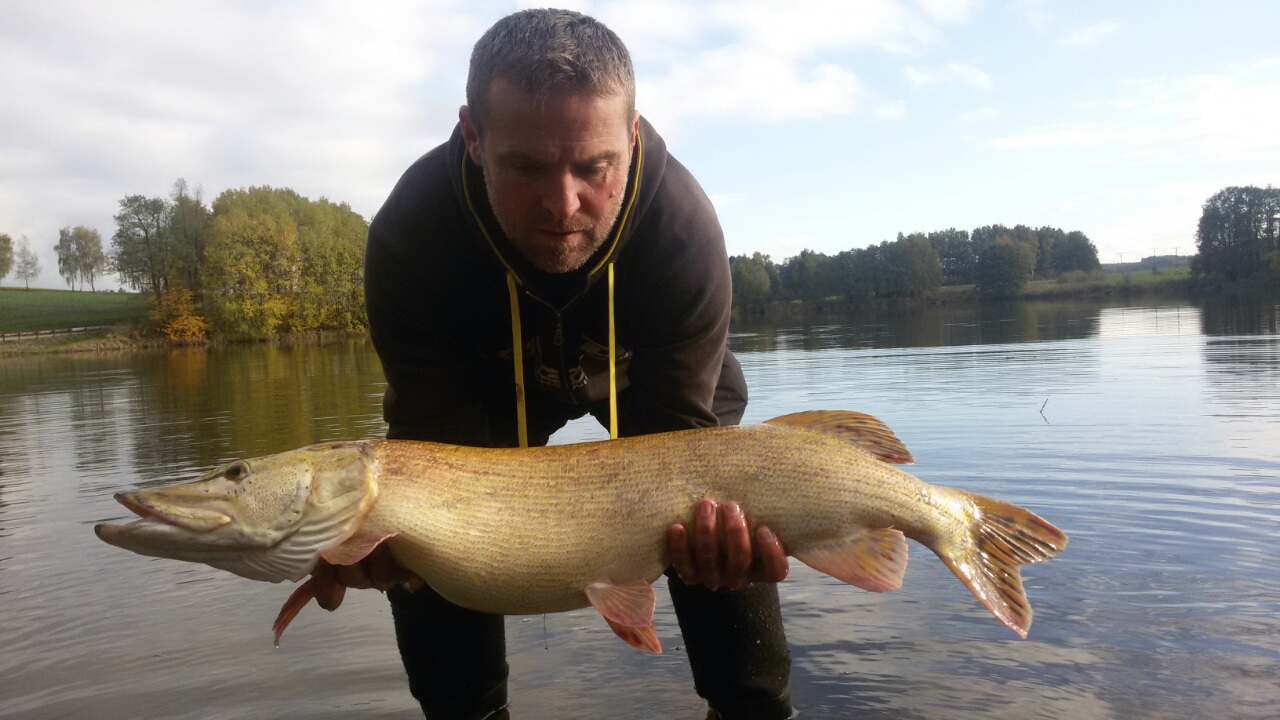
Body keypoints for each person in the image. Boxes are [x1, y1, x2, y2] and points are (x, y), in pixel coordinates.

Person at [314, 9, 795, 719]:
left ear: (631, 139)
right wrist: (397, 543)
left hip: (657, 390)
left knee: (710, 510)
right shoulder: (411, 239)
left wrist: (702, 536)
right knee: (423, 532)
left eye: (594, 167)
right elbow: (438, 461)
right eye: (527, 167)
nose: (563, 204)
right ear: (474, 138)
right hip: (481, 391)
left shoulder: (682, 231)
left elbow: (679, 454)